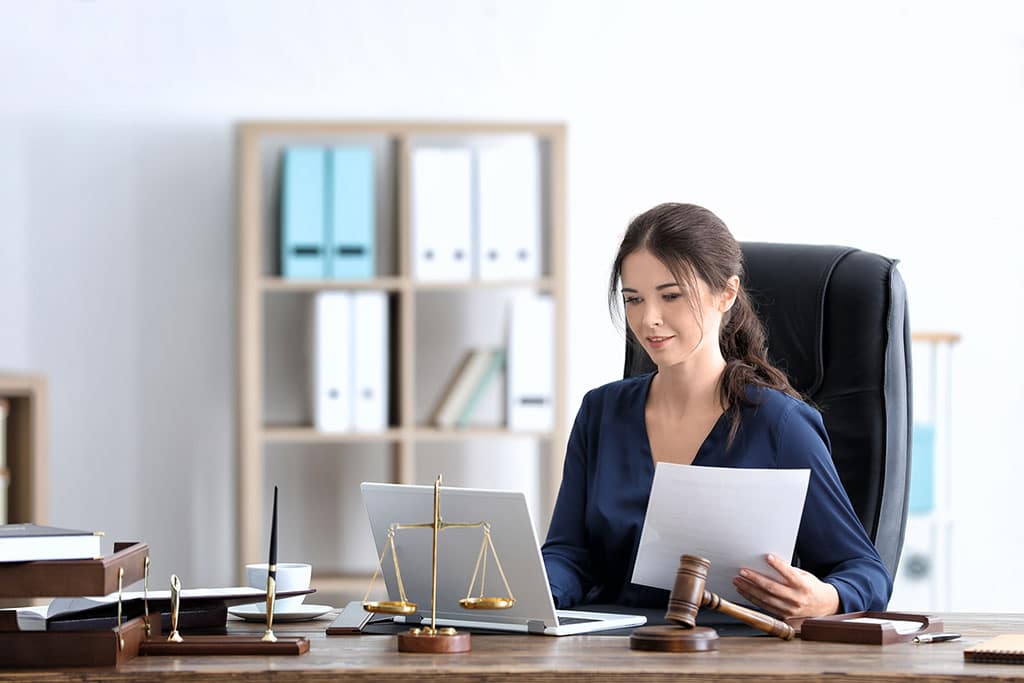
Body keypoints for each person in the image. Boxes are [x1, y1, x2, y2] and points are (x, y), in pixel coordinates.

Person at [541, 202, 892, 619]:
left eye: (671, 296)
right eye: (633, 299)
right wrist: (529, 588)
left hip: (732, 653)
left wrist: (828, 598)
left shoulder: (780, 425)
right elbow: (569, 553)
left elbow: (865, 571)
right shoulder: (601, 412)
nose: (648, 319)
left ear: (726, 294)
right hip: (611, 648)